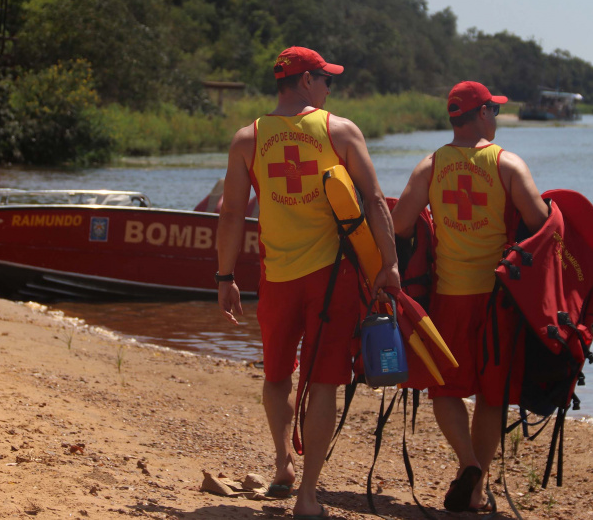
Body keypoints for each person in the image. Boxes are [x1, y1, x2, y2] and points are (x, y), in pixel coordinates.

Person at [216, 46, 400, 518]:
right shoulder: (339, 130)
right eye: (324, 78)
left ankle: (282, 464)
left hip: (276, 277)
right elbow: (376, 201)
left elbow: (232, 213)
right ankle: (307, 496)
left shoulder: (247, 139)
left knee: (276, 377)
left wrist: (224, 276)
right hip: (332, 278)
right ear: (304, 82)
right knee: (323, 384)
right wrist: (390, 264)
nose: (328, 87)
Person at [391, 81, 549, 513]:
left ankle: (468, 463)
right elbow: (539, 221)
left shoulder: (431, 165)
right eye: (493, 111)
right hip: (499, 297)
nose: (495, 118)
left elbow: (400, 223)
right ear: (480, 115)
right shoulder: (508, 164)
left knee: (446, 389)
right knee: (491, 395)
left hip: (450, 294)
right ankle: (476, 487)